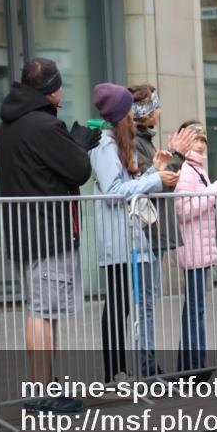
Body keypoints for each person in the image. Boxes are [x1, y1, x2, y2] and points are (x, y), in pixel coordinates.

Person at [0, 58, 98, 413]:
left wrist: (71, 142)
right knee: (42, 312)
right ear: (50, 89)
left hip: (26, 231)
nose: (62, 92)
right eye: (59, 85)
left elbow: (48, 168)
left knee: (45, 310)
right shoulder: (43, 125)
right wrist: (79, 143)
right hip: (48, 232)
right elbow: (78, 169)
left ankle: (46, 385)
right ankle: (40, 392)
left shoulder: (11, 123)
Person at [89, 83, 175, 383]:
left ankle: (119, 371)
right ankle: (114, 373)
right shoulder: (104, 146)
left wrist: (154, 171)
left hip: (128, 235)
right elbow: (115, 191)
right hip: (116, 236)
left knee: (123, 303)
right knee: (117, 303)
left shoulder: (116, 142)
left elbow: (128, 183)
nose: (132, 114)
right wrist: (154, 180)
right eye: (128, 109)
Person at [128, 84, 193, 377]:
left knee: (149, 301)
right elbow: (156, 182)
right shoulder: (134, 143)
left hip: (153, 233)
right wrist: (177, 156)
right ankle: (146, 366)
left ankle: (149, 363)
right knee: (146, 304)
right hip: (145, 234)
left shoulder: (144, 142)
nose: (160, 112)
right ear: (144, 113)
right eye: (155, 108)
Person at [173, 121, 217, 373]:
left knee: (195, 307)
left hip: (200, 246)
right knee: (195, 308)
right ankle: (192, 367)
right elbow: (184, 209)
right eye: (195, 139)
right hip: (194, 247)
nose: (200, 143)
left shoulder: (198, 170)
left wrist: (216, 191)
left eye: (203, 139)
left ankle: (195, 365)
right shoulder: (186, 170)